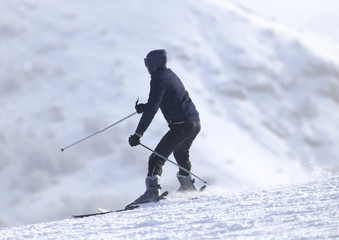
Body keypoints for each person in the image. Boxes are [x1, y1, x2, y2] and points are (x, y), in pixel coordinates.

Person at [128, 49, 201, 204]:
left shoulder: (158, 79)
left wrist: (138, 134)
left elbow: (153, 109)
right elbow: (164, 99)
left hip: (181, 125)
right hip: (194, 123)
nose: (146, 66)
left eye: (147, 62)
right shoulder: (169, 74)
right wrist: (146, 106)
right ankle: (187, 185)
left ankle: (152, 192)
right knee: (181, 153)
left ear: (153, 63)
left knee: (156, 158)